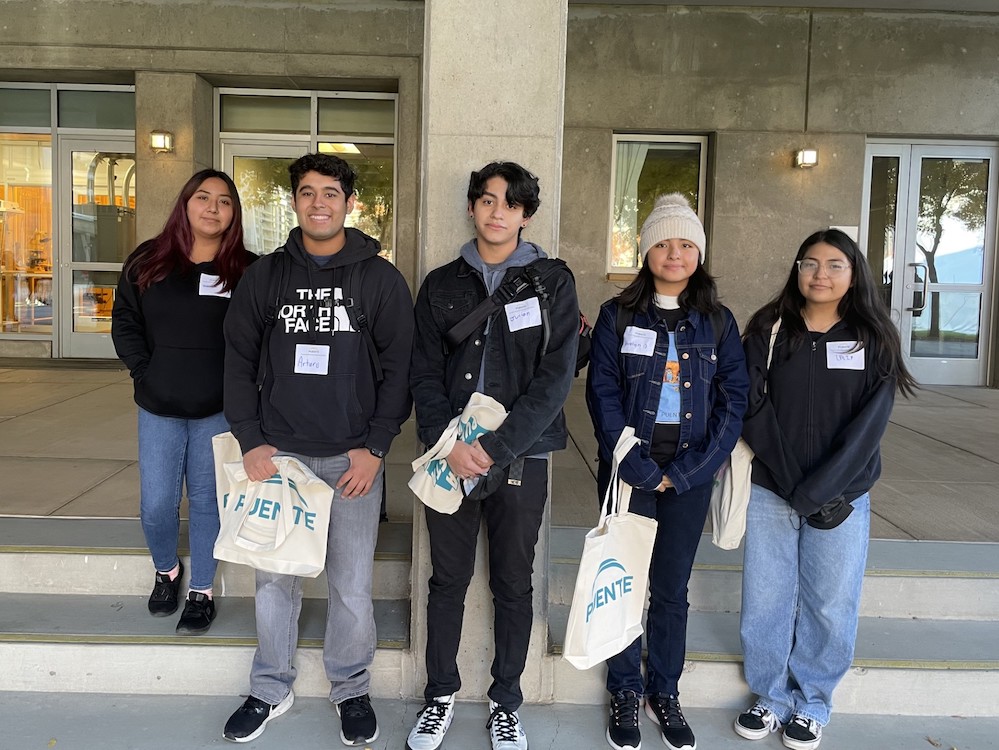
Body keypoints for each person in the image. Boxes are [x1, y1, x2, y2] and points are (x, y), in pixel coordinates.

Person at [221, 153, 413, 745]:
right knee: (276, 578)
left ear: (349, 202)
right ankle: (270, 686)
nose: (319, 203)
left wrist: (376, 447)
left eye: (331, 192)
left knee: (350, 582)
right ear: (295, 202)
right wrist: (252, 442)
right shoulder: (266, 277)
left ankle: (351, 687)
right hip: (280, 460)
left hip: (352, 459)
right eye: (307, 193)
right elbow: (237, 360)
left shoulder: (379, 279)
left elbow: (400, 368)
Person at [407, 161, 579, 750]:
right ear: (473, 208)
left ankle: (506, 701)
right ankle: (440, 695)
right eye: (485, 200)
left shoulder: (552, 282)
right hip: (450, 456)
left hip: (521, 459)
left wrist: (496, 447)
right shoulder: (441, 283)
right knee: (447, 579)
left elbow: (555, 379)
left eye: (509, 203)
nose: (496, 211)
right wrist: (449, 443)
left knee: (512, 580)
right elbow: (423, 371)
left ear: (526, 214)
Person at [733, 229, 917, 750]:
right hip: (774, 490)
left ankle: (812, 702)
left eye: (834, 264)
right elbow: (751, 407)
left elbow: (869, 426)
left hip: (843, 497)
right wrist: (796, 486)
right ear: (796, 270)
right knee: (765, 599)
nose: (820, 274)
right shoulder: (769, 330)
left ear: (853, 273)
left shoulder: (871, 337)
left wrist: (823, 489)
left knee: (830, 602)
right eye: (809, 263)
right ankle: (770, 696)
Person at [586, 193, 749, 750]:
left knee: (671, 589)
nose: (673, 253)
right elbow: (603, 389)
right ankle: (625, 691)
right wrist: (629, 462)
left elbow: (735, 401)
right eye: (662, 243)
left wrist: (685, 473)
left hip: (689, 477)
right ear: (646, 250)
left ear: (698, 254)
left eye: (685, 244)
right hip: (629, 472)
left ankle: (665, 691)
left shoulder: (718, 322)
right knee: (624, 582)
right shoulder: (618, 315)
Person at [112, 169, 253, 635]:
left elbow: (260, 340)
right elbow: (126, 323)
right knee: (157, 503)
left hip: (218, 408)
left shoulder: (247, 271)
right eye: (203, 197)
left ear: (234, 213)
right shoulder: (148, 262)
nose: (213, 207)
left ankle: (202, 590)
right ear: (185, 204)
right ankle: (167, 571)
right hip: (160, 404)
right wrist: (143, 372)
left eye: (224, 201)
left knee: (209, 502)